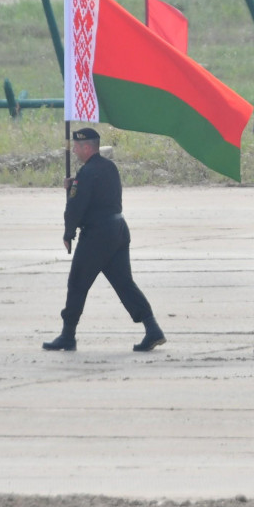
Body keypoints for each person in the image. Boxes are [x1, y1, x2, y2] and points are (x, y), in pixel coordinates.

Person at [43, 127, 165, 353]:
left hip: (97, 236)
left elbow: (77, 208)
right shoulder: (109, 168)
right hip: (118, 230)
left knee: (77, 283)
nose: (76, 151)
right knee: (124, 283)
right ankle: (152, 328)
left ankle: (68, 335)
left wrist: (68, 232)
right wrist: (73, 189)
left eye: (78, 147)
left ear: (87, 147)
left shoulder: (86, 173)